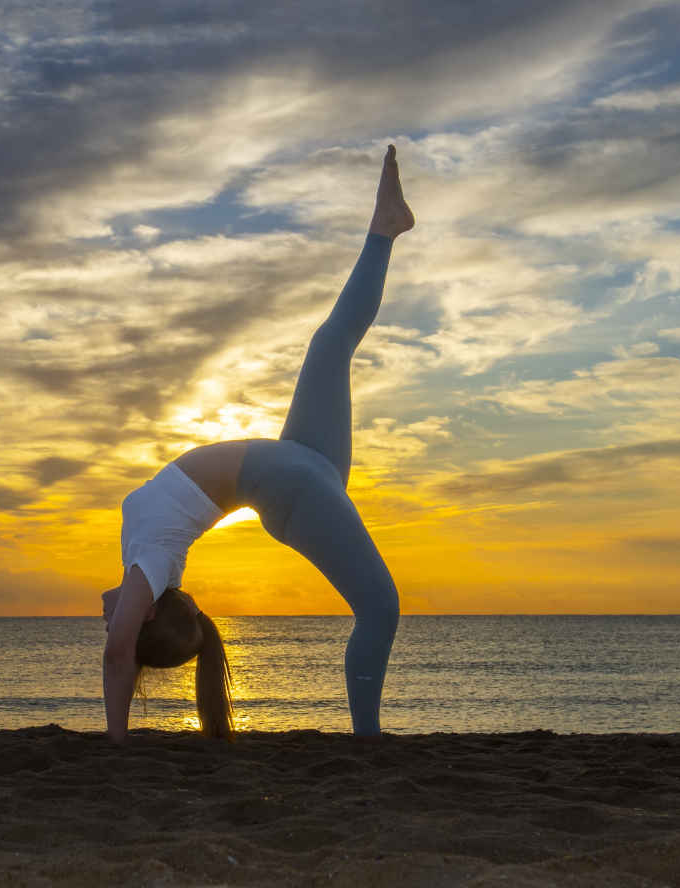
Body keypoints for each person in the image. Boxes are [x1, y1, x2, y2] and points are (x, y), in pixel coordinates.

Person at [101, 145, 415, 744]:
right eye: (116, 626)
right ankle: (369, 741)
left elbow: (121, 644)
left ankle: (385, 226)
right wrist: (116, 743)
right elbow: (119, 656)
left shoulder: (140, 553)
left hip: (297, 462)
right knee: (381, 608)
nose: (104, 625)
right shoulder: (153, 565)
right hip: (292, 487)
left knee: (329, 344)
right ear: (142, 614)